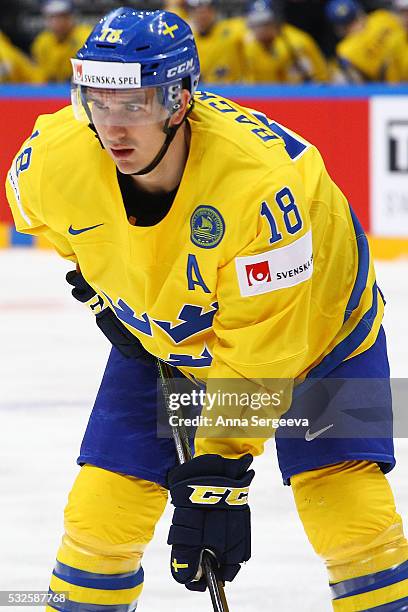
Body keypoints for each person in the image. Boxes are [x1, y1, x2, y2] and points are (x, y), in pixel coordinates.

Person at [6, 7, 408, 611]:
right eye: (97, 100)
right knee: (103, 512)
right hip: (171, 327)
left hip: (323, 328)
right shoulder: (55, 158)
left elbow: (265, 349)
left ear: (179, 100)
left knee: (346, 504)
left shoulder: (264, 186)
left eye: (134, 103)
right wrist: (98, 290)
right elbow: (62, 228)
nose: (112, 127)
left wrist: (220, 475)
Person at [245, 0, 328, 83]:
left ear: (276, 21)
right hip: (257, 93)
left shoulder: (298, 42)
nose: (261, 29)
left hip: (294, 93)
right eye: (256, 24)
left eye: (265, 23)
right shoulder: (243, 43)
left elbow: (321, 77)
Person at [325, 0, 405, 82]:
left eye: (355, 20)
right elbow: (358, 82)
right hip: (396, 85)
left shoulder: (381, 17)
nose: (355, 26)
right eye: (348, 25)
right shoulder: (345, 50)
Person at [184, 0, 246, 82]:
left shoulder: (233, 29)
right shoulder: (185, 37)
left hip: (231, 89)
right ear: (190, 13)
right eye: (197, 11)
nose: (202, 16)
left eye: (206, 11)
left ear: (214, 11)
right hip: (199, 89)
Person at [31, 0, 91, 82]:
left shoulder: (85, 37)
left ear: (72, 17)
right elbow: (41, 77)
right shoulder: (42, 41)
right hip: (53, 89)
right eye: (52, 17)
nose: (57, 22)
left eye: (62, 16)